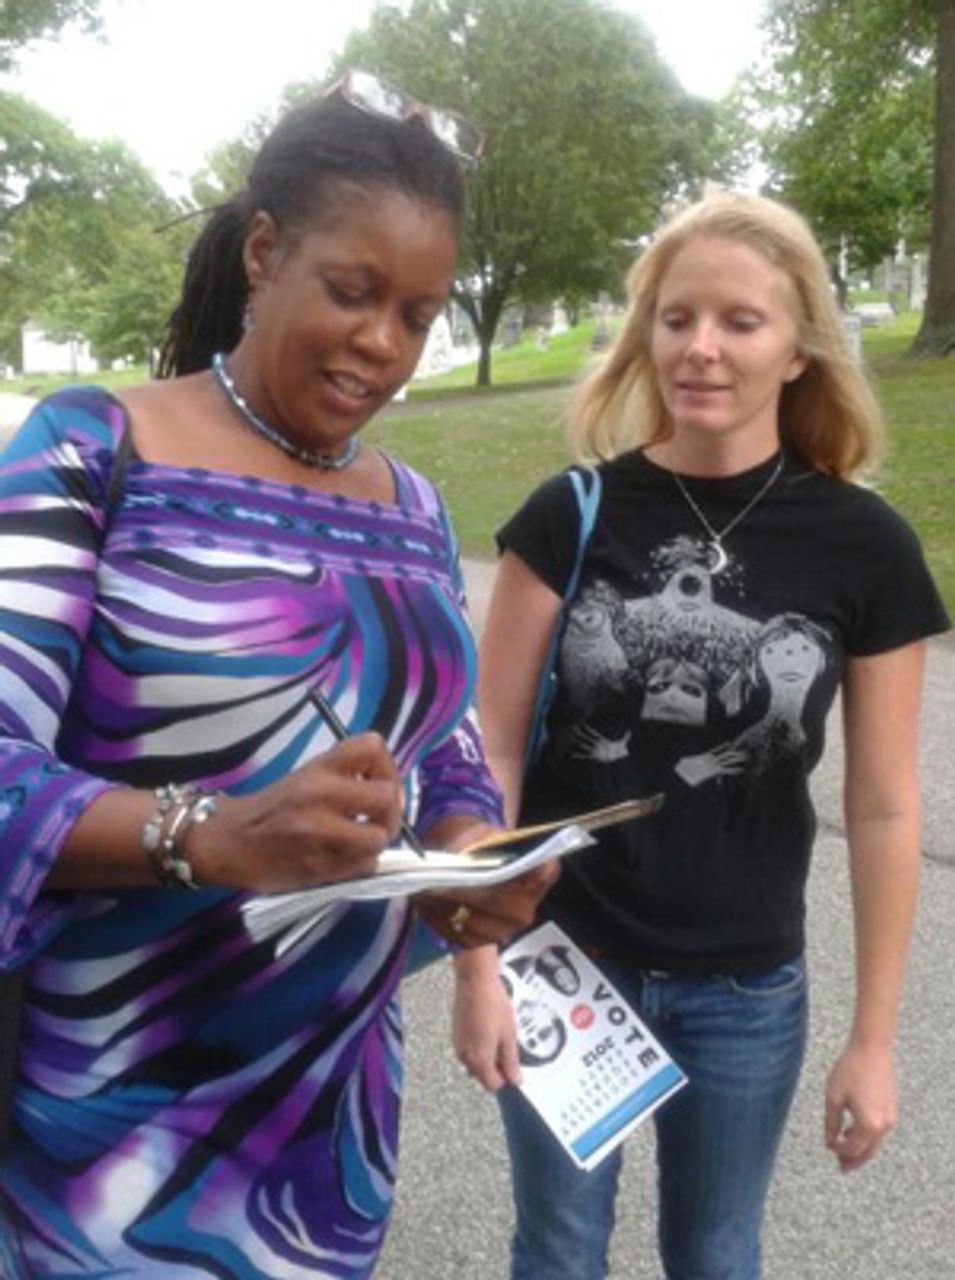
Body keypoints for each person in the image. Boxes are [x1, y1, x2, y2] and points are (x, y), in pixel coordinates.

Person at [0, 70, 556, 1278]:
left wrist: (468, 854)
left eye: (417, 315)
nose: (382, 344)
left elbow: (441, 737)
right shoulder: (96, 446)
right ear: (264, 251)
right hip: (112, 1130)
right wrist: (204, 832)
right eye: (353, 293)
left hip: (327, 1134)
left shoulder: (410, 504)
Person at [452, 191, 950, 1280]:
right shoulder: (566, 514)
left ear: (798, 350)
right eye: (677, 319)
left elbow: (881, 804)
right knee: (557, 1248)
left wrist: (873, 1037)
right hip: (564, 954)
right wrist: (476, 955)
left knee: (716, 1257)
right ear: (646, 334)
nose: (702, 348)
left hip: (745, 985)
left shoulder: (864, 547)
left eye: (740, 321)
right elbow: (483, 749)